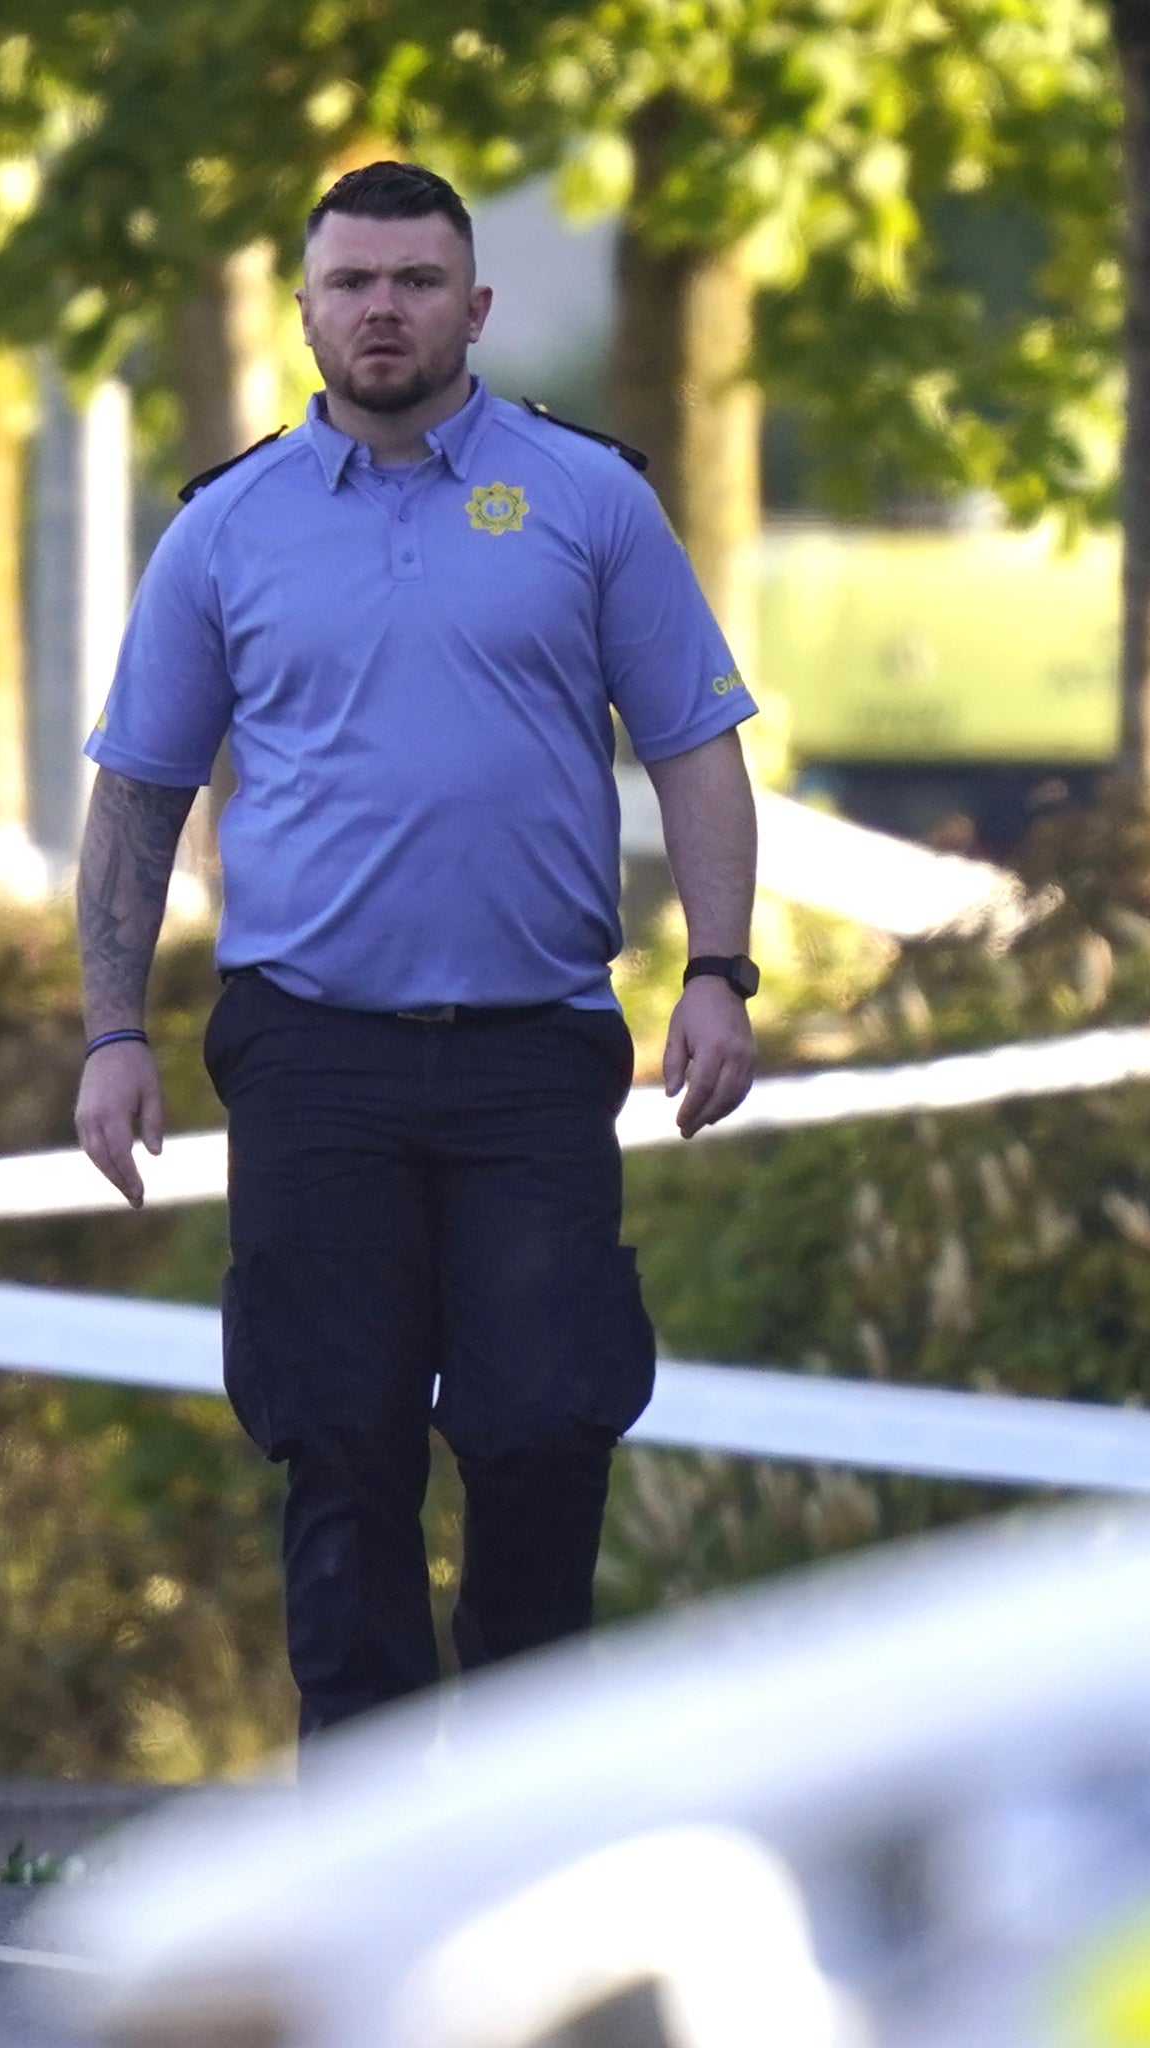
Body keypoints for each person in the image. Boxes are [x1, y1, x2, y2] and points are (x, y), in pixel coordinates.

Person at [71, 160, 762, 1740]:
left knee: (542, 1424)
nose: (382, 310)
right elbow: (138, 799)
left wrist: (715, 971)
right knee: (341, 1437)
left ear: (476, 305)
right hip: (313, 1051)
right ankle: (366, 1812)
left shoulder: (591, 502)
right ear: (305, 310)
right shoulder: (224, 532)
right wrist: (114, 1032)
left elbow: (698, 748)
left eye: (415, 282)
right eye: (352, 284)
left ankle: (515, 1794)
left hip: (533, 1051)